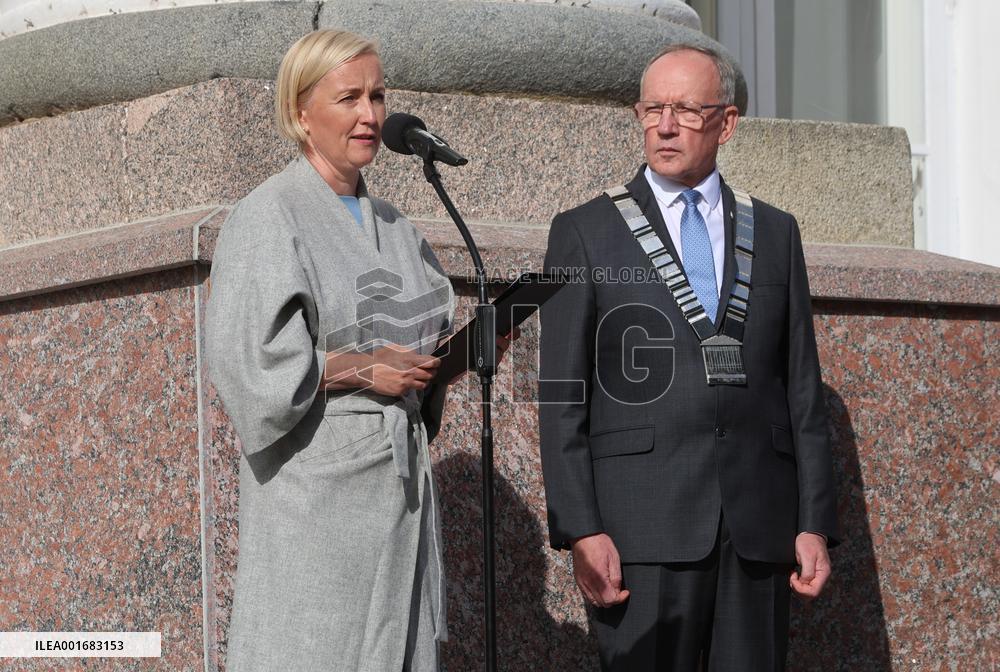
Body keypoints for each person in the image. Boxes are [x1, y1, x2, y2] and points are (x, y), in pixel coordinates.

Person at [205, 30, 507, 672]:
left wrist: (457, 357)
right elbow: (250, 371)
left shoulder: (399, 228)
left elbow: (424, 347)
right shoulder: (267, 217)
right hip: (316, 501)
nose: (370, 115)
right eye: (348, 98)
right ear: (300, 113)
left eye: (376, 96)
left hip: (399, 496)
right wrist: (355, 368)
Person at [538, 42, 839, 671]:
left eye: (685, 110)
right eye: (652, 110)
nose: (665, 126)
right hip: (639, 528)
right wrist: (580, 529)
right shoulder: (585, 231)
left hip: (758, 529)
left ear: (726, 123)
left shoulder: (776, 232)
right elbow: (561, 394)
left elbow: (802, 388)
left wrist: (814, 521)